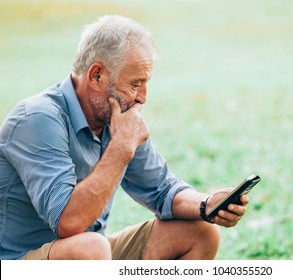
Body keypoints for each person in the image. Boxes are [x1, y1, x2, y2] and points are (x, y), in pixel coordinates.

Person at [0, 15, 249, 260]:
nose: (142, 97)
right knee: (90, 249)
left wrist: (206, 205)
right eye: (135, 84)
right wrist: (120, 148)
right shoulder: (36, 118)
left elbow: (162, 189)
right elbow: (69, 223)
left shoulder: (114, 118)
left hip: (93, 255)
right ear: (96, 75)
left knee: (200, 232)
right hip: (20, 262)